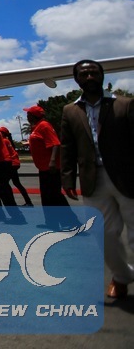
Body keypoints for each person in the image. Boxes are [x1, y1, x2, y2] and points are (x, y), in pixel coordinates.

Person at [60, 59, 134, 300]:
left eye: (94, 73)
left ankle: (120, 281)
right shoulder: (70, 111)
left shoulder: (124, 104)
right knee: (103, 233)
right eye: (84, 74)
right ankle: (122, 275)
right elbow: (67, 146)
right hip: (93, 179)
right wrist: (67, 178)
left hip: (127, 176)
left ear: (102, 76)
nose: (89, 77)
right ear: (77, 80)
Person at [0, 127, 33, 206]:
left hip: (11, 164)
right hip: (14, 164)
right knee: (16, 183)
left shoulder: (4, 141)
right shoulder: (7, 141)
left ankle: (11, 203)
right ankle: (28, 201)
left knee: (4, 183)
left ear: (2, 133)